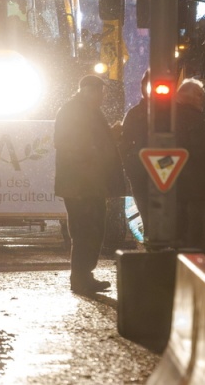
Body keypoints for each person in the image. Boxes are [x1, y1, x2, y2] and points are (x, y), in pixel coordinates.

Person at [54, 75, 127, 294]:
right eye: (100, 93)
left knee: (93, 229)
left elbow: (91, 140)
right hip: (80, 184)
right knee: (84, 230)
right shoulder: (73, 111)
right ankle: (80, 278)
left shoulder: (86, 110)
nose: (103, 97)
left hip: (90, 183)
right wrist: (96, 147)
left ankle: (85, 275)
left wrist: (108, 138)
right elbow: (68, 143)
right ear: (88, 91)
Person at [175, 78, 205, 250]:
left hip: (178, 180)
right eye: (200, 95)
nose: (203, 99)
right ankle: (195, 259)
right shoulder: (195, 118)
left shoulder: (172, 115)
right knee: (195, 226)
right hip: (195, 181)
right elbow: (198, 149)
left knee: (181, 223)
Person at [119, 71, 150, 231]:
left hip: (169, 170)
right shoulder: (134, 114)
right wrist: (132, 164)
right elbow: (124, 143)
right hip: (140, 170)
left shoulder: (175, 113)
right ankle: (150, 235)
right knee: (145, 207)